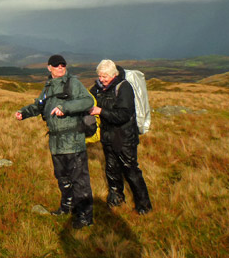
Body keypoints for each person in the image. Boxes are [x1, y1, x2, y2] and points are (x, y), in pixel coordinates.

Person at [15, 54, 95, 229]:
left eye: (63, 64)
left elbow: (88, 101)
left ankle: (84, 217)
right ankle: (66, 208)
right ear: (49, 67)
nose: (60, 67)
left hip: (73, 140)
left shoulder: (73, 83)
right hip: (56, 143)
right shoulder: (48, 87)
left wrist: (65, 107)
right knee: (62, 178)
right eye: (56, 65)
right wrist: (24, 113)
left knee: (79, 180)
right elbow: (39, 105)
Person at [89, 59, 152, 215]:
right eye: (100, 76)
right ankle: (116, 200)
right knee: (111, 169)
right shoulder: (98, 88)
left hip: (124, 138)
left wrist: (100, 111)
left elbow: (123, 115)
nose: (101, 79)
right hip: (108, 137)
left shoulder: (124, 88)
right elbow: (87, 99)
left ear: (114, 75)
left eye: (105, 76)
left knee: (131, 171)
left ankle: (144, 206)